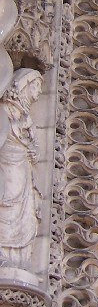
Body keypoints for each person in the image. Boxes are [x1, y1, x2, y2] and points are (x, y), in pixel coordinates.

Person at [0, 70, 43, 268]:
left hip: (23, 169)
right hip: (9, 165)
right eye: (36, 85)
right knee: (7, 205)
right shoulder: (8, 109)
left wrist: (32, 150)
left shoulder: (26, 116)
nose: (39, 91)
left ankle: (19, 260)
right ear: (24, 85)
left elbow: (31, 146)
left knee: (26, 213)